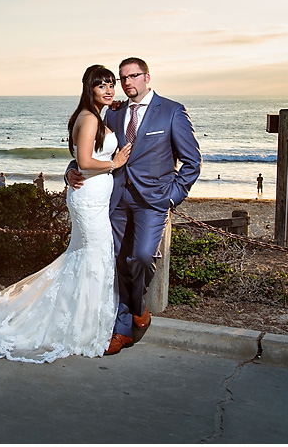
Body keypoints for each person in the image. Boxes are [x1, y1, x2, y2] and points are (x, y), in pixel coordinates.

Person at [0, 65, 131, 362]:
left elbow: (80, 160)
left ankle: (84, 318)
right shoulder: (87, 119)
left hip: (95, 198)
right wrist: (115, 163)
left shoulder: (95, 116)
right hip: (88, 199)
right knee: (95, 255)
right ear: (90, 89)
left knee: (88, 256)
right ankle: (81, 325)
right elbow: (84, 162)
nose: (109, 90)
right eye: (102, 86)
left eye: (112, 84)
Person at [66, 57, 201, 355]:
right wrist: (70, 171)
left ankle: (138, 306)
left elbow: (192, 162)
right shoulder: (113, 113)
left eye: (133, 76)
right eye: (122, 78)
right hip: (113, 200)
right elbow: (88, 150)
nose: (127, 83)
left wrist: (171, 197)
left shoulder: (172, 111)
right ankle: (123, 327)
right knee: (113, 260)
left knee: (140, 257)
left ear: (147, 77)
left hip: (152, 202)